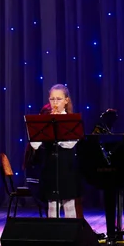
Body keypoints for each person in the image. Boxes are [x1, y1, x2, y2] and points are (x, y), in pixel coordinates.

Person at [29, 84, 80, 218]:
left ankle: (71, 235)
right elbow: (35, 144)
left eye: (59, 99)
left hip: (66, 166)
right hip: (50, 166)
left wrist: (57, 127)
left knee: (69, 203)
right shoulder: (44, 119)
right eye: (52, 99)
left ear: (66, 100)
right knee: (52, 204)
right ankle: (54, 235)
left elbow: (70, 144)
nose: (55, 103)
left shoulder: (71, 120)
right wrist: (46, 125)